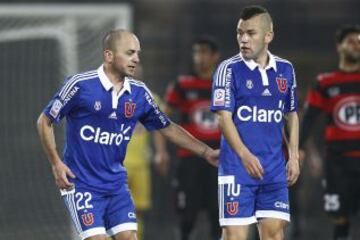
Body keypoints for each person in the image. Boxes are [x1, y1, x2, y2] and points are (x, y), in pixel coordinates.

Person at [36, 29, 218, 240]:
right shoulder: (80, 85)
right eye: (130, 53)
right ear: (109, 55)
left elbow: (167, 127)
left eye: (138, 53)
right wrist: (56, 163)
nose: (136, 59)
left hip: (116, 186)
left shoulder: (140, 93)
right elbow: (44, 120)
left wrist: (205, 152)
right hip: (81, 185)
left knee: (129, 237)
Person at [210, 5, 300, 240]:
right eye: (240, 33)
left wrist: (294, 156)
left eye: (251, 33)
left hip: (273, 171)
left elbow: (292, 115)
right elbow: (223, 117)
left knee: (274, 234)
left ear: (268, 35)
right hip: (237, 170)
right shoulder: (228, 70)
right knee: (235, 236)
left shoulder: (285, 69)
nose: (244, 39)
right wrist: (244, 155)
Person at [155, 36, 221, 240]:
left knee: (219, 217)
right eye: (196, 52)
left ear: (214, 56)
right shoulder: (183, 84)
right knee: (187, 216)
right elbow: (160, 119)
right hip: (189, 159)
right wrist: (161, 152)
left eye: (203, 52)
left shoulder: (226, 85)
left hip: (221, 160)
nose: (199, 57)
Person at [299, 24, 360, 240]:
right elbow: (309, 118)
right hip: (338, 162)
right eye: (351, 41)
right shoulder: (325, 82)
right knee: (339, 217)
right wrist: (299, 147)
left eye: (359, 41)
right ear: (339, 46)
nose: (357, 45)